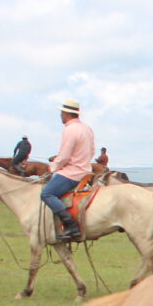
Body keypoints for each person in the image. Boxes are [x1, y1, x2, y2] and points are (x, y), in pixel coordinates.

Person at [40, 99, 95, 243]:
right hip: (86, 171)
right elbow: (92, 150)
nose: (60, 115)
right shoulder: (87, 129)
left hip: (72, 173)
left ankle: (71, 225)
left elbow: (64, 155)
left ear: (66, 114)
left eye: (61, 113)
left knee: (47, 193)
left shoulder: (70, 130)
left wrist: (53, 168)